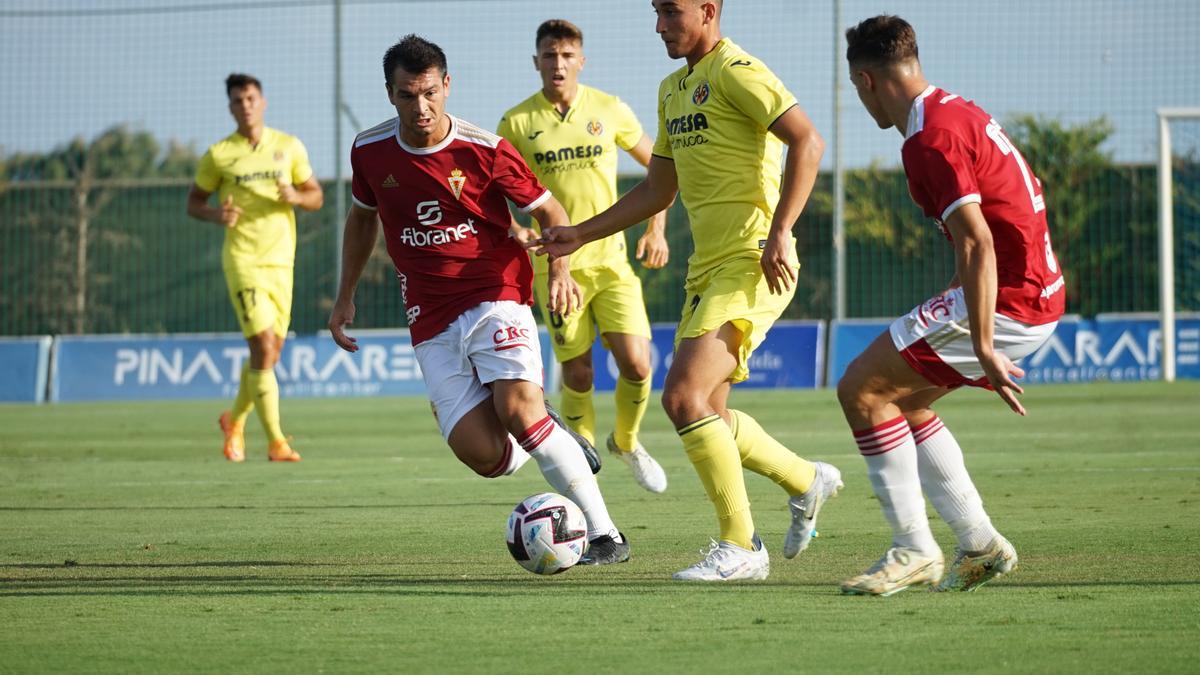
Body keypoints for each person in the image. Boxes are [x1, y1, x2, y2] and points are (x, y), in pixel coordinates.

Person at [535, 0, 841, 581]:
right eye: (655, 12)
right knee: (711, 414)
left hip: (754, 260)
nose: (659, 25)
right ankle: (807, 480)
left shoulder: (737, 69)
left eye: (671, 12)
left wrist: (780, 232)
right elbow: (658, 190)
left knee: (681, 397)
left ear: (707, 10)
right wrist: (577, 234)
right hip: (707, 268)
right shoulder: (673, 88)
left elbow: (808, 142)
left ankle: (743, 547)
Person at [328, 35, 630, 565]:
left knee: (518, 410)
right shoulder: (369, 150)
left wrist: (559, 269)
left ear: (447, 85)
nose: (420, 108)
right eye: (406, 96)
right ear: (389, 94)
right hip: (427, 312)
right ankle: (551, 433)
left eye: (428, 93)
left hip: (496, 292)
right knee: (483, 455)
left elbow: (552, 213)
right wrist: (344, 296)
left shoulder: (483, 149)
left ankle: (606, 536)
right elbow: (361, 218)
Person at [837, 15, 1066, 595]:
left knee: (860, 390)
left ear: (866, 81)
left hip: (1009, 298)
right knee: (902, 402)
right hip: (1032, 289)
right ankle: (981, 545)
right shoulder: (955, 109)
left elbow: (976, 240)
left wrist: (984, 342)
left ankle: (913, 549)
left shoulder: (927, 140)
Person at [497, 19, 669, 494]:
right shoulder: (516, 123)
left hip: (611, 261)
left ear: (581, 61)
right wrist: (513, 227)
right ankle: (580, 456)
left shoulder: (608, 109)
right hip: (556, 268)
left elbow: (662, 169)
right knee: (578, 369)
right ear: (537, 62)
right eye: (549, 56)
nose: (558, 64)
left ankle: (627, 442)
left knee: (637, 363)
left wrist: (657, 228)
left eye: (567, 55)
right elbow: (492, 191)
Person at [187, 73, 324, 463]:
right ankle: (277, 442)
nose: (245, 105)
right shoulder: (219, 154)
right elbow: (193, 202)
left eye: (250, 98)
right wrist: (217, 214)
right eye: (237, 100)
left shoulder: (288, 146)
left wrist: (297, 194)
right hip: (243, 260)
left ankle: (234, 420)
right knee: (262, 346)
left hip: (282, 261)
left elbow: (315, 196)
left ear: (262, 102)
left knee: (270, 353)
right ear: (230, 107)